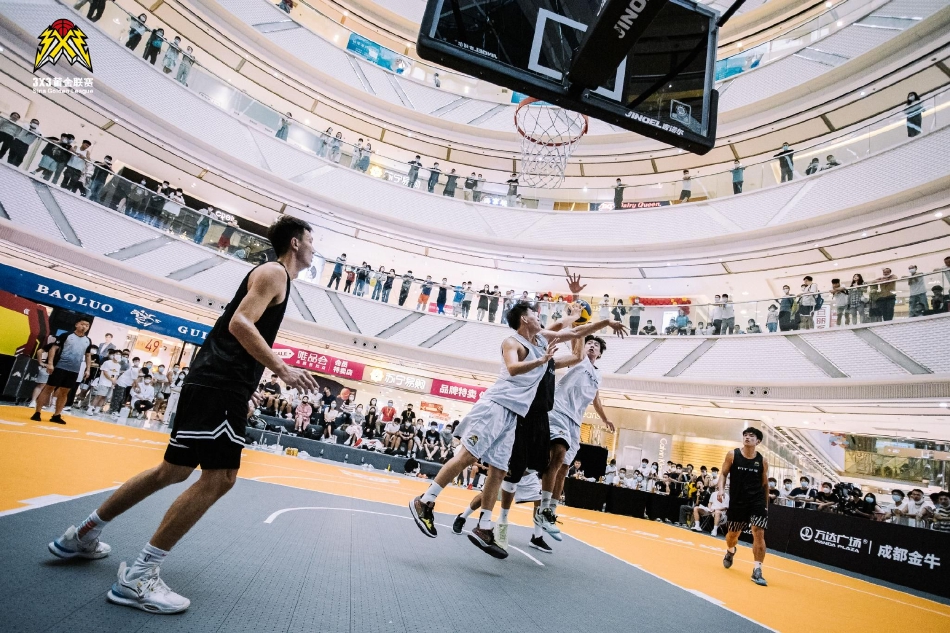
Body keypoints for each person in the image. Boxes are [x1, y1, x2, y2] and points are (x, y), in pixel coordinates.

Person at [47, 216, 318, 614]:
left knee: (171, 471)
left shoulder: (275, 277)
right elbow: (240, 323)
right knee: (220, 477)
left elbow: (235, 334)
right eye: (311, 240)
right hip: (219, 384)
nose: (314, 247)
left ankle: (82, 534)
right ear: (295, 242)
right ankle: (140, 575)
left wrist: (245, 389)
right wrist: (280, 368)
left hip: (216, 382)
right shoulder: (274, 273)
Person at [409, 303, 620, 557]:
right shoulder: (512, 342)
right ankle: (425, 500)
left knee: (499, 470)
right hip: (496, 406)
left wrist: (596, 321)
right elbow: (512, 368)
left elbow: (574, 333)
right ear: (524, 319)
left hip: (514, 415)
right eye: (534, 314)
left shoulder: (541, 340)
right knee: (468, 456)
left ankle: (484, 526)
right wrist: (542, 360)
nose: (539, 318)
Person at [536, 333, 619, 541]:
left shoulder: (598, 374)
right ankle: (543, 508)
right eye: (589, 343)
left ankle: (550, 512)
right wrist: (579, 326)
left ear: (600, 353)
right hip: (559, 411)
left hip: (575, 421)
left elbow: (596, 400)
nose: (592, 346)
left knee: (564, 468)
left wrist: (605, 419)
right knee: (557, 455)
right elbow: (577, 338)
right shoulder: (579, 358)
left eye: (596, 345)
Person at [717, 427, 770, 587]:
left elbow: (765, 484)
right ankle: (731, 550)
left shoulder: (762, 460)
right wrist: (721, 489)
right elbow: (723, 474)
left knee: (758, 533)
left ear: (758, 441)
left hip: (757, 501)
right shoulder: (732, 455)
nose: (747, 437)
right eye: (745, 435)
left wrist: (765, 506)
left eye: (751, 436)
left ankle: (757, 570)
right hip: (738, 501)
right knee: (732, 536)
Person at [31, 317, 93, 424]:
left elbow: (88, 355)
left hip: (74, 370)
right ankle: (37, 412)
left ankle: (56, 415)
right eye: (82, 324)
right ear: (77, 324)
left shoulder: (88, 340)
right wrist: (50, 364)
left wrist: (88, 369)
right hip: (60, 367)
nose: (84, 327)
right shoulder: (66, 335)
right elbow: (53, 349)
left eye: (87, 325)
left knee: (64, 392)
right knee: (49, 388)